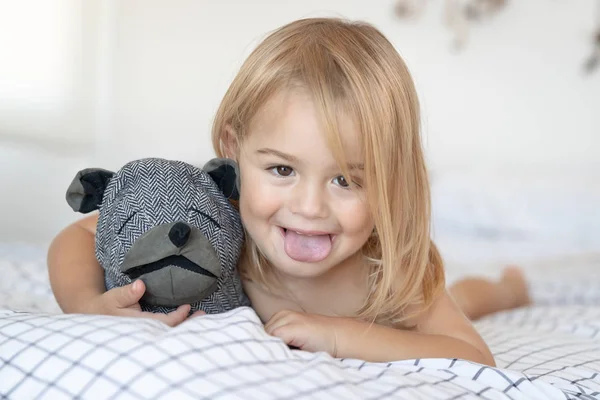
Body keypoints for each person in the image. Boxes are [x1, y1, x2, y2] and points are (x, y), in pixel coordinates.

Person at [47, 17, 531, 367]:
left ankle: (508, 286)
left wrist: (340, 335)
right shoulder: (218, 217)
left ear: (390, 181)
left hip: (397, 312)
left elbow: (471, 353)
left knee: (464, 299)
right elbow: (79, 237)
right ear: (236, 151)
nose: (309, 207)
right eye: (282, 169)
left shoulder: (391, 267)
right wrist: (86, 303)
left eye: (346, 179)